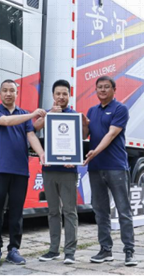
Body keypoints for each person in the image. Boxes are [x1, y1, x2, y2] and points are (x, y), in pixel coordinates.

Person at [0, 80, 46, 267]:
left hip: (20, 170)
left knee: (16, 212)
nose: (8, 93)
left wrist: (41, 153)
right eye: (5, 90)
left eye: (12, 90)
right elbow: (5, 122)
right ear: (0, 93)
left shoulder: (24, 115)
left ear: (16, 93)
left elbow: (31, 135)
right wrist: (32, 115)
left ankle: (14, 250)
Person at [82, 75, 137, 267]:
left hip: (116, 166)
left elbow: (112, 134)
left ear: (114, 89)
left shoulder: (120, 109)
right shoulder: (92, 111)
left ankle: (129, 251)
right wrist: (83, 124)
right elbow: (84, 135)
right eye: (99, 87)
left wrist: (95, 152)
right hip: (96, 167)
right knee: (100, 211)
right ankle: (105, 250)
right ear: (96, 90)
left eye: (106, 87)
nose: (103, 90)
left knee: (123, 210)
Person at [33, 79, 80, 265]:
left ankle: (70, 252)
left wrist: (73, 159)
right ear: (53, 95)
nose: (61, 97)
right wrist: (50, 114)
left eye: (64, 94)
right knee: (53, 211)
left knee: (69, 211)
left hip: (68, 171)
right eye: (58, 94)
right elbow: (35, 127)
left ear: (69, 95)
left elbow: (80, 139)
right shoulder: (48, 114)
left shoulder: (74, 116)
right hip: (49, 169)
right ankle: (53, 250)